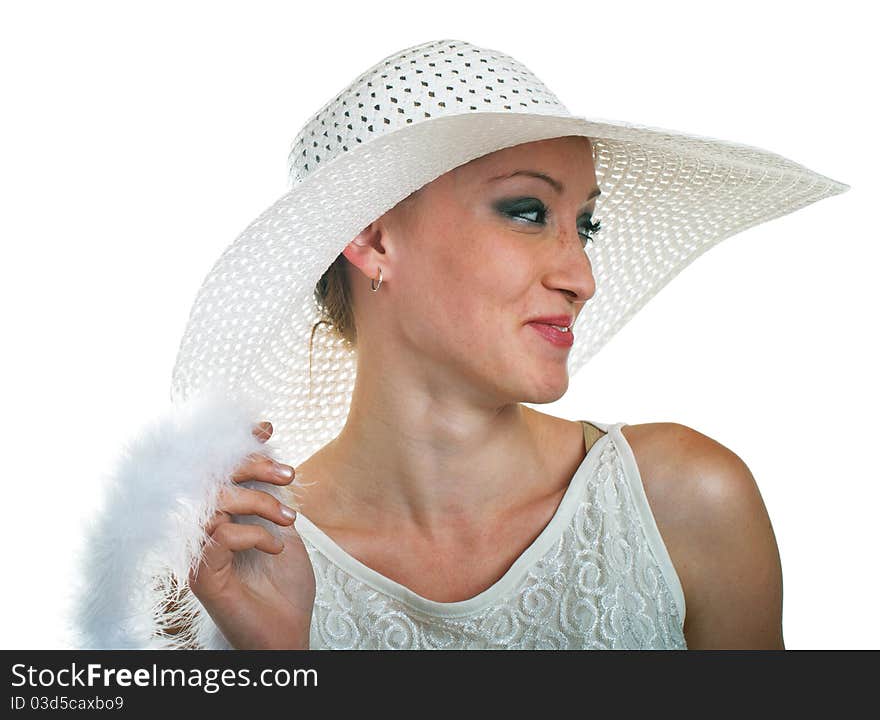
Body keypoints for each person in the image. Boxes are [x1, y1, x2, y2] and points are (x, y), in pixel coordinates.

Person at [70, 38, 848, 651]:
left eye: (587, 224)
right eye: (527, 210)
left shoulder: (685, 503)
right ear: (373, 238)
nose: (582, 276)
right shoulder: (228, 575)